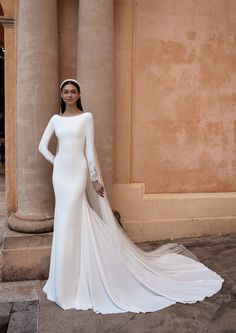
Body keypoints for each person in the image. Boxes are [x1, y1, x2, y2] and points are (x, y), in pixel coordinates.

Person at [38, 79, 223, 314]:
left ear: (79, 94)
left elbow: (89, 150)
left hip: (78, 174)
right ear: (61, 94)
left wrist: (94, 178)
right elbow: (42, 147)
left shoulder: (87, 118)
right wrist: (57, 163)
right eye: (66, 92)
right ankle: (63, 283)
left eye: (73, 91)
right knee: (65, 222)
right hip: (61, 175)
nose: (70, 95)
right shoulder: (55, 120)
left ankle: (78, 278)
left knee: (74, 216)